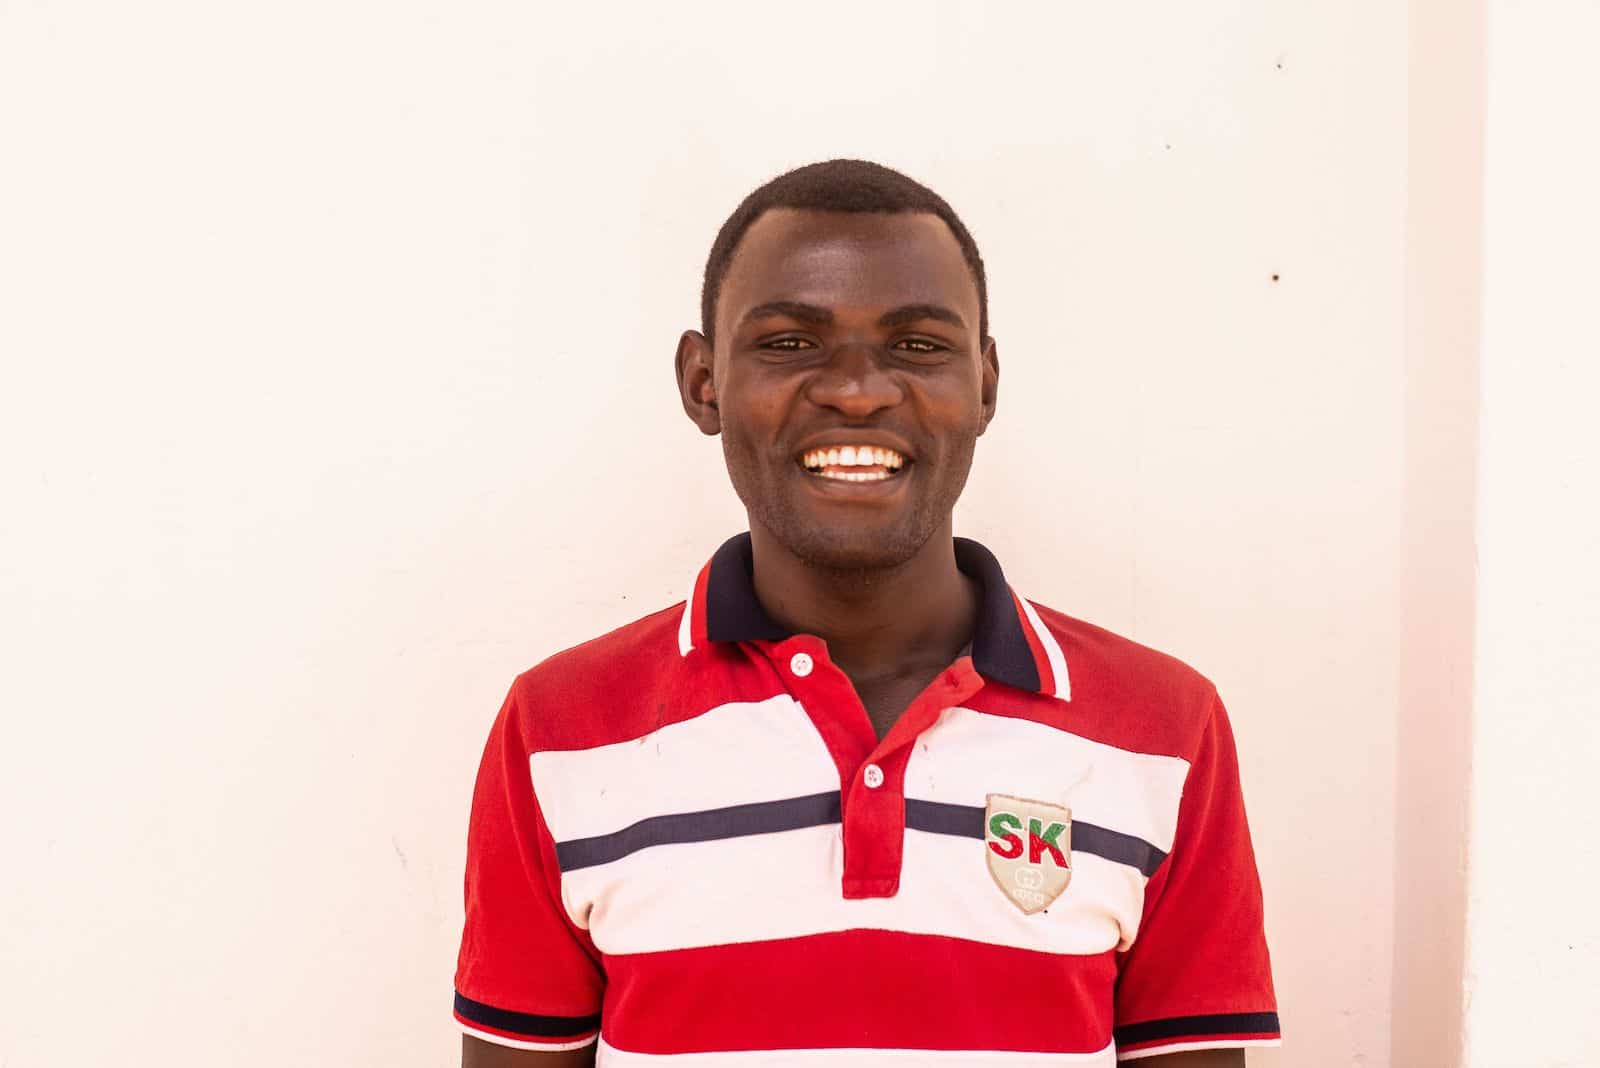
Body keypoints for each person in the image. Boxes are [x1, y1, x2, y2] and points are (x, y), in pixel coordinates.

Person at [453, 159, 1280, 1067]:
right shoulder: (560, 728)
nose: (857, 390)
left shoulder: (1163, 729)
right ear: (702, 382)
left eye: (919, 346)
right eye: (789, 343)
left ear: (986, 385)